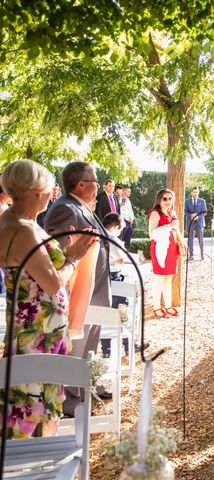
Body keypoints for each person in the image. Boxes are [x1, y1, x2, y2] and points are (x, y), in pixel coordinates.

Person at [0, 160, 96, 438]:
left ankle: (28, 459)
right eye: (48, 187)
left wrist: (66, 255)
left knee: (27, 393)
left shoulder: (12, 221)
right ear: (37, 191)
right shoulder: (24, 230)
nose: (52, 191)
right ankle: (34, 462)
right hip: (38, 328)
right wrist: (75, 258)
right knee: (33, 397)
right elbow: (53, 283)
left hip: (29, 323)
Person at [45, 162, 114, 411]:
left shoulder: (80, 206)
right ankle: (69, 400)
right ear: (81, 184)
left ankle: (86, 387)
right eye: (95, 181)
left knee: (89, 346)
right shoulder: (64, 209)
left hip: (94, 289)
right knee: (76, 347)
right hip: (79, 292)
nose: (98, 186)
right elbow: (59, 254)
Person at [149, 188, 186, 318]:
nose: (168, 201)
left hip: (172, 249)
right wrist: (169, 226)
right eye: (165, 199)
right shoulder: (155, 214)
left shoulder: (172, 212)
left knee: (169, 278)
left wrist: (182, 241)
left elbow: (176, 229)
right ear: (159, 200)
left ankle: (168, 306)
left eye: (170, 199)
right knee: (159, 278)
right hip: (160, 250)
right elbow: (151, 234)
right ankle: (156, 307)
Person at [185, 187, 207, 260]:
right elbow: (185, 212)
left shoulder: (202, 201)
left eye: (197, 192)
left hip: (199, 223)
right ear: (192, 192)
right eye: (194, 192)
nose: (195, 193)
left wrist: (198, 216)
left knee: (200, 239)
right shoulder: (187, 201)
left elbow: (205, 212)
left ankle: (202, 254)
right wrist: (191, 215)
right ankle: (191, 255)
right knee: (190, 239)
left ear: (198, 193)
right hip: (190, 223)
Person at [119, 186, 135, 251]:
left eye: (130, 192)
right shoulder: (119, 199)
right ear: (123, 191)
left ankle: (127, 253)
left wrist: (132, 218)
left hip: (130, 223)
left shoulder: (128, 200)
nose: (129, 193)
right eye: (128, 191)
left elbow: (130, 211)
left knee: (128, 240)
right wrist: (126, 219)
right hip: (123, 221)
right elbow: (120, 210)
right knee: (122, 239)